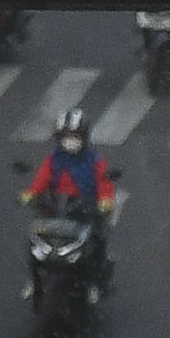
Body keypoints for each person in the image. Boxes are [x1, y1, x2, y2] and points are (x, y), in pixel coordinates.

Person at [25, 107, 121, 288]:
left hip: (85, 209)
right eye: (67, 136)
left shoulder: (95, 160)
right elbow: (41, 179)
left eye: (75, 136)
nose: (71, 141)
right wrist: (30, 194)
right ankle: (34, 281)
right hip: (56, 207)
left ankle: (94, 283)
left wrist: (104, 202)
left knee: (98, 239)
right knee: (34, 239)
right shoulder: (53, 159)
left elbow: (104, 183)